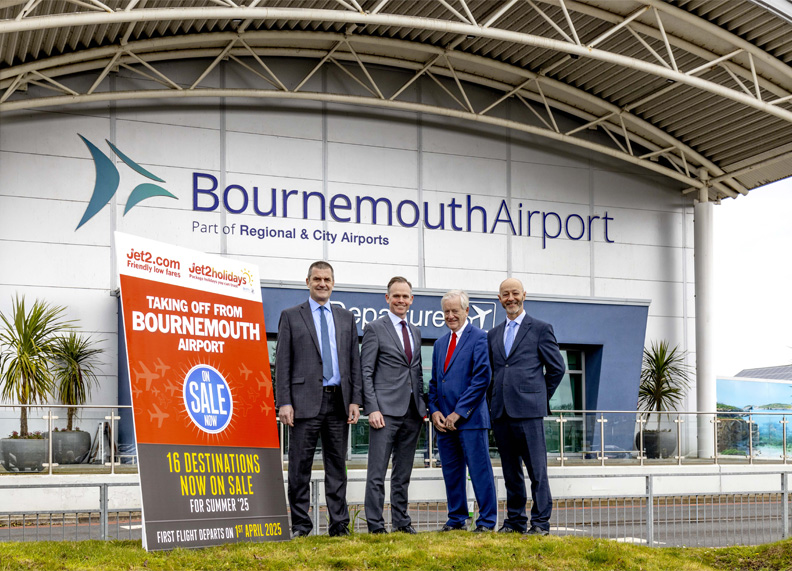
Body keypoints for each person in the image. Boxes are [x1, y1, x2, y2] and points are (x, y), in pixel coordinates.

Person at [275, 261, 363, 538]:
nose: (322, 283)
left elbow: (354, 362)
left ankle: (339, 526)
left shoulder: (346, 318)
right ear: (308, 282)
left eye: (327, 279)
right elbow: (283, 362)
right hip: (303, 403)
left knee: (337, 468)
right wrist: (284, 402)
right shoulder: (291, 316)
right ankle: (301, 526)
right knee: (299, 467)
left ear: (333, 283)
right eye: (317, 279)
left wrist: (355, 400)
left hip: (339, 402)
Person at [487, 277, 566, 536]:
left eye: (515, 293)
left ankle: (541, 523)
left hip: (530, 413)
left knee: (537, 472)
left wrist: (538, 396)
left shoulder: (541, 329)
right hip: (501, 413)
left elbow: (557, 368)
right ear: (499, 299)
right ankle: (515, 521)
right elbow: (493, 373)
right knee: (511, 473)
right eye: (505, 294)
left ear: (524, 295)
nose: (510, 298)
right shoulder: (493, 334)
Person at [428, 290, 497, 532]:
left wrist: (458, 412)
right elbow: (434, 382)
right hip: (444, 423)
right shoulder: (439, 344)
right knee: (452, 473)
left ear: (466, 311)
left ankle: (487, 521)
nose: (450, 316)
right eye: (446, 311)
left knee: (480, 472)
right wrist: (434, 410)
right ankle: (456, 519)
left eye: (455, 311)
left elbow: (481, 379)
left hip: (471, 420)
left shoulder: (479, 338)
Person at [361, 276, 426, 534]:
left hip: (412, 412)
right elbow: (366, 371)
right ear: (387, 298)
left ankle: (401, 522)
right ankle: (376, 525)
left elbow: (416, 371)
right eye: (396, 296)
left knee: (403, 473)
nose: (401, 300)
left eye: (405, 296)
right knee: (377, 473)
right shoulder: (375, 328)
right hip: (384, 412)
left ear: (412, 300)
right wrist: (372, 408)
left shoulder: (415, 331)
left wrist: (422, 406)